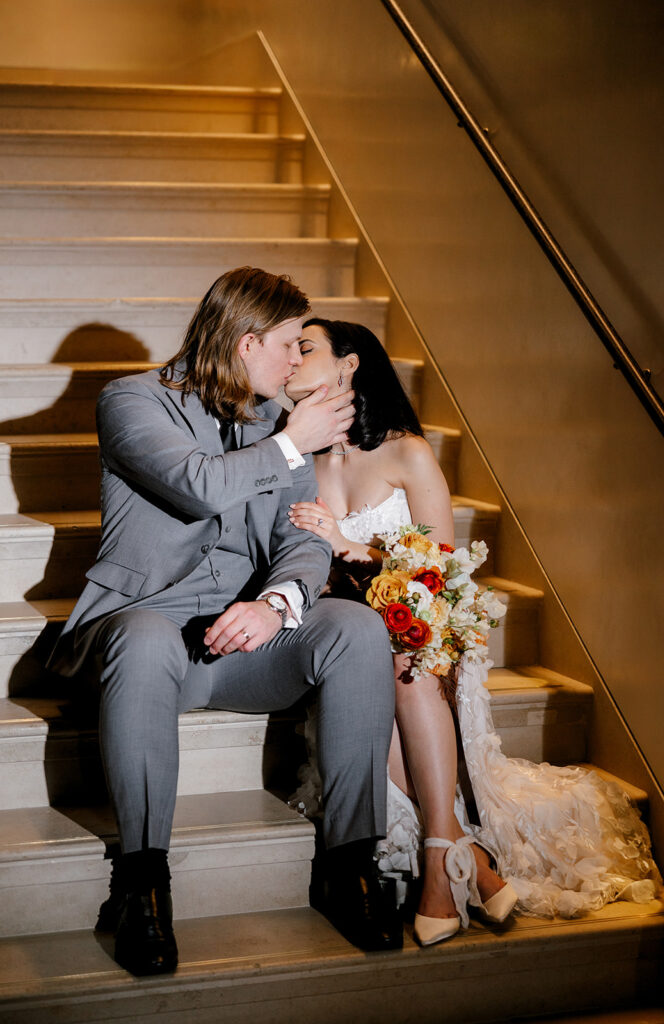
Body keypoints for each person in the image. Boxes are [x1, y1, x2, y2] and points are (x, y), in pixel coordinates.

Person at [47, 269, 403, 976]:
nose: (298, 362)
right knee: (146, 638)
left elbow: (303, 539)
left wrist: (275, 606)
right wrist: (293, 441)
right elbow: (196, 484)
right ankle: (142, 882)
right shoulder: (132, 401)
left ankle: (349, 865)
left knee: (356, 628)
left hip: (242, 646)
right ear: (246, 343)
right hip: (144, 640)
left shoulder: (276, 422)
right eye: (289, 346)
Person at [285, 317, 660, 947]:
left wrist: (349, 545)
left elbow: (441, 567)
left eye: (305, 348)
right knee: (369, 658)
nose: (291, 359)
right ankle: (464, 856)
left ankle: (439, 860)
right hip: (349, 630)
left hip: (426, 620)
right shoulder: (301, 456)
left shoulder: (407, 450)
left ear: (349, 365)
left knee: (405, 661)